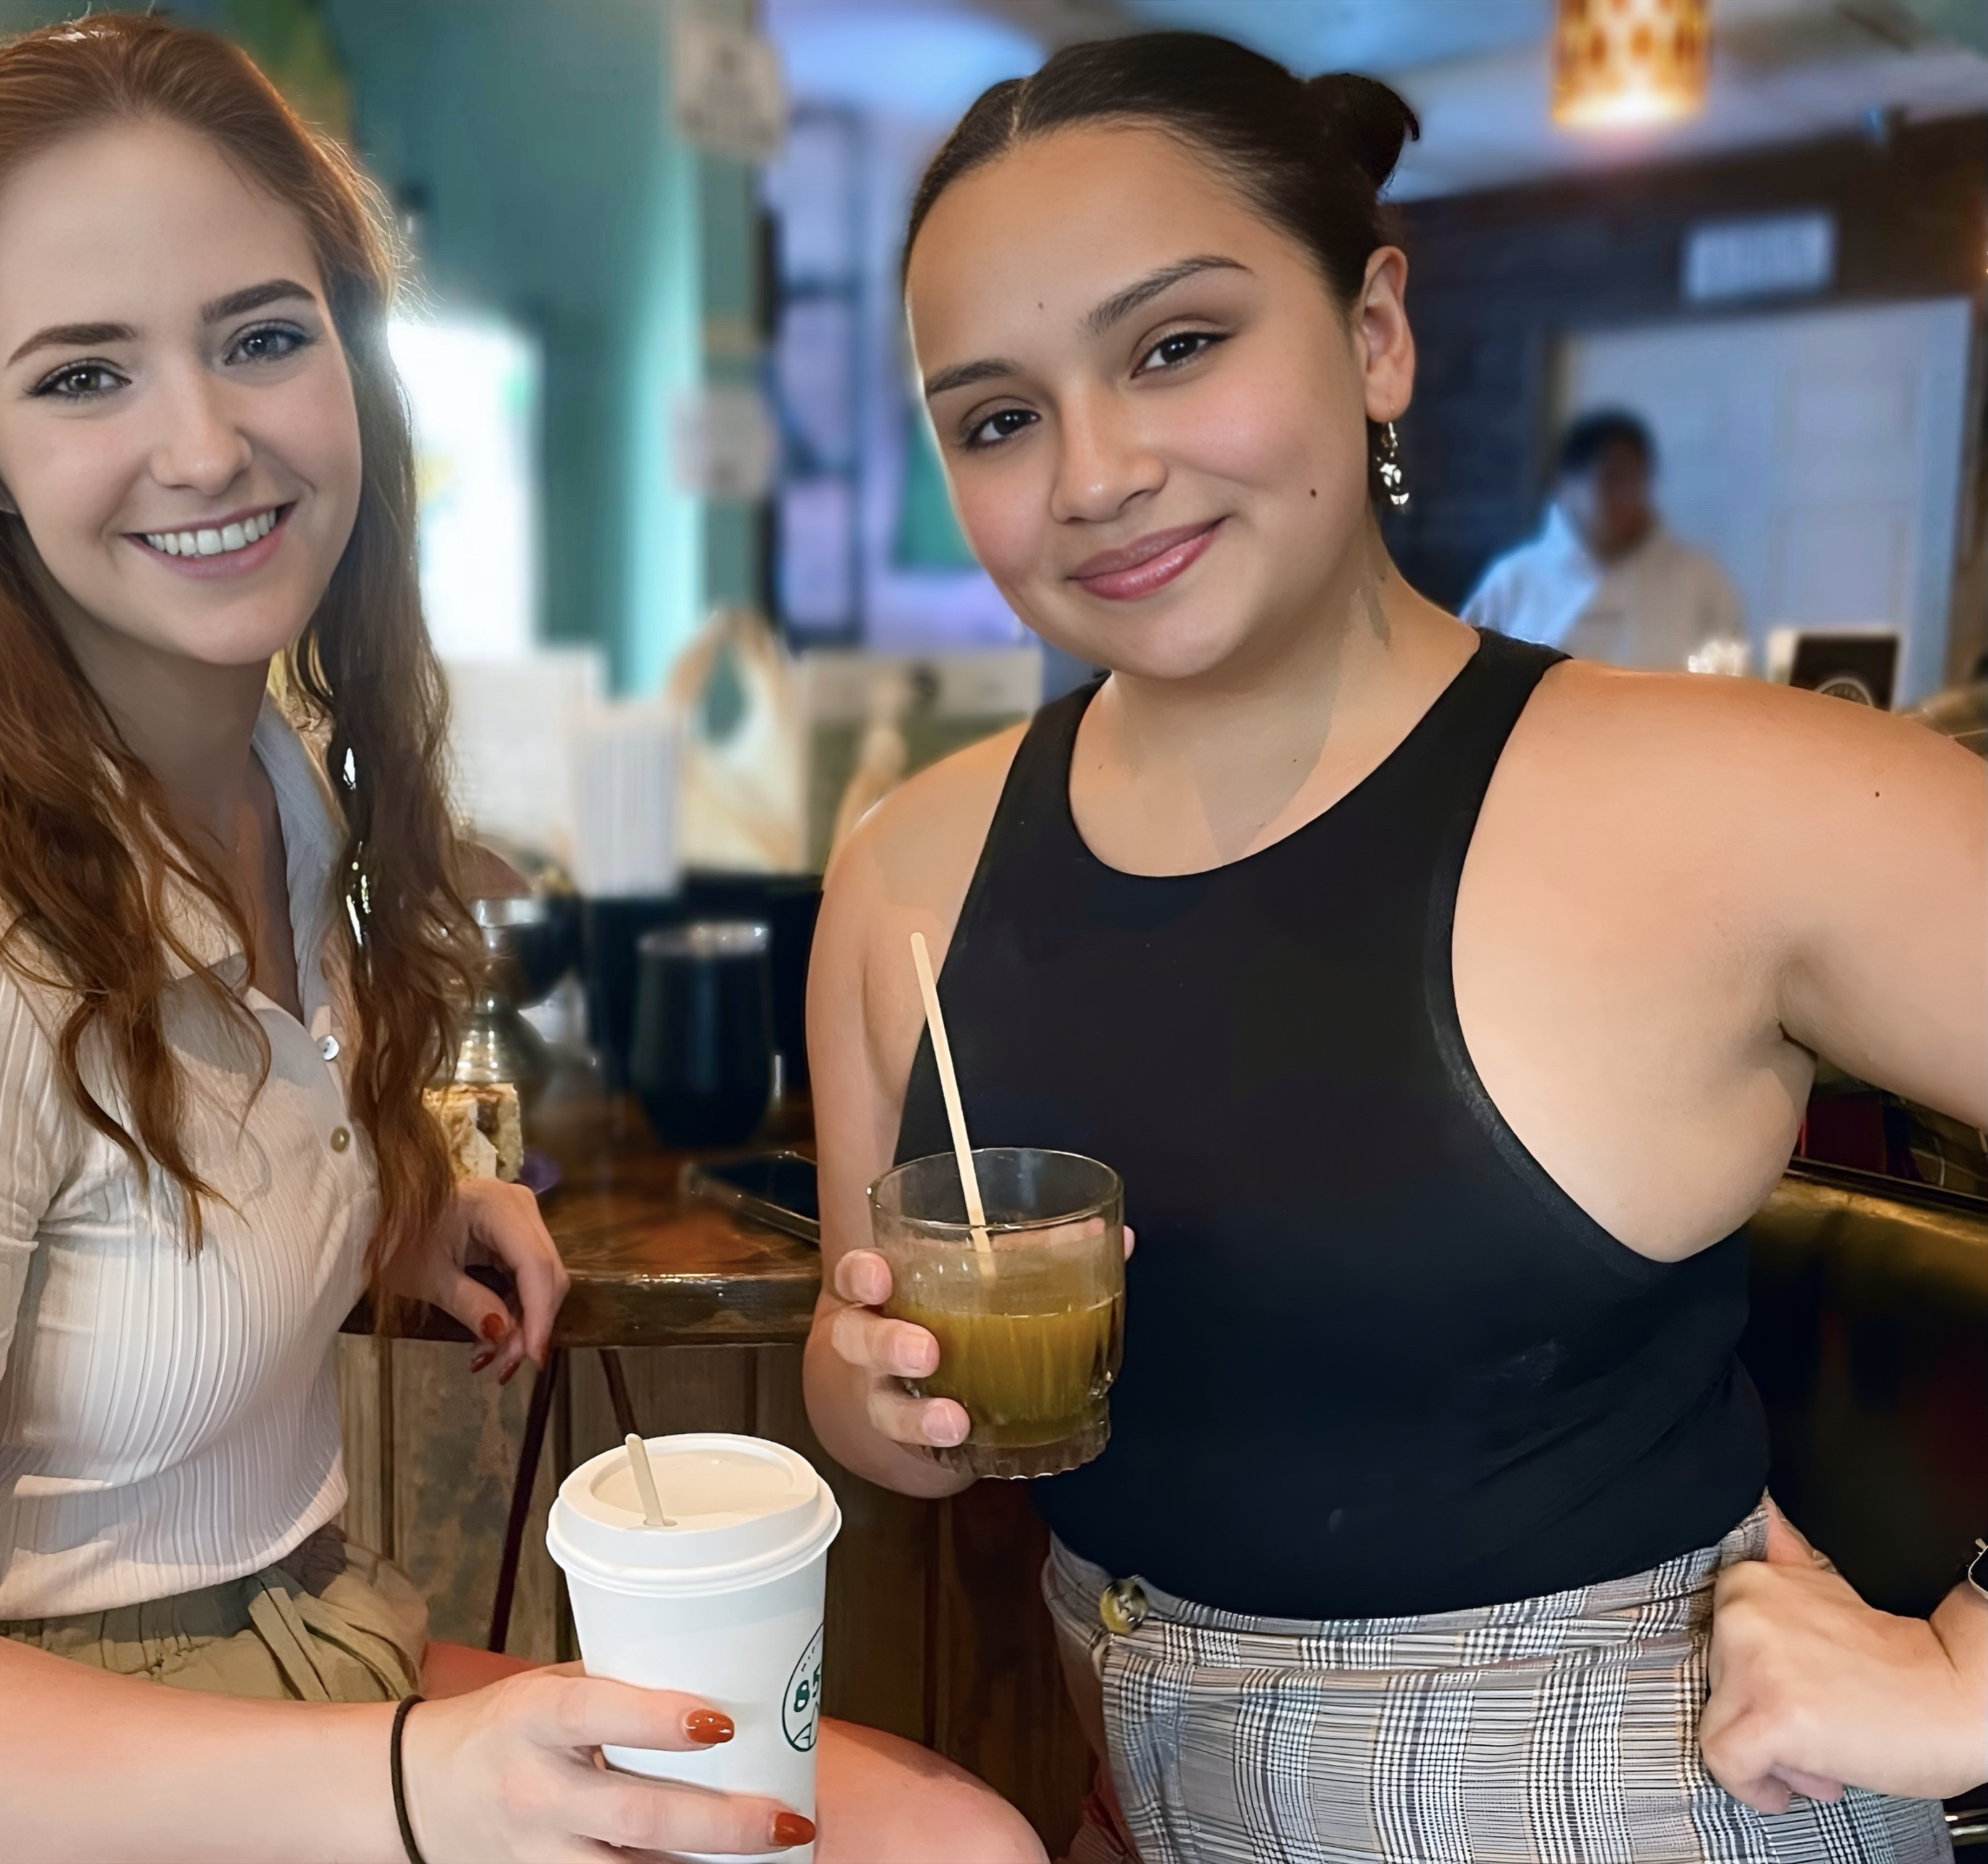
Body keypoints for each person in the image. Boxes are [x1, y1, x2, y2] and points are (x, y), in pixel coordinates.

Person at [0, 19, 1041, 1862]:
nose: (206, 440)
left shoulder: (275, 779)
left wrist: (393, 1189)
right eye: (82, 374)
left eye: (262, 336)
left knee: (945, 1837)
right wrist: (422, 1785)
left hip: (274, 1661)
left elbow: (165, 1168)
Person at [802, 31, 1985, 1864]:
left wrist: (1969, 1673)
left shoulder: (1736, 795)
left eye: (1175, 345)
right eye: (996, 415)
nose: (1094, 470)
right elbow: (864, 1379)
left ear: (1371, 337)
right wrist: (880, 1403)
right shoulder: (902, 867)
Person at [1464, 407, 1747, 671]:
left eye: (1635, 480)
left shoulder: (1699, 578)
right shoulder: (1514, 581)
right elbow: (1466, 679)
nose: (1625, 496)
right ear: (1565, 483)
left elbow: (1732, 682)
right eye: (1610, 480)